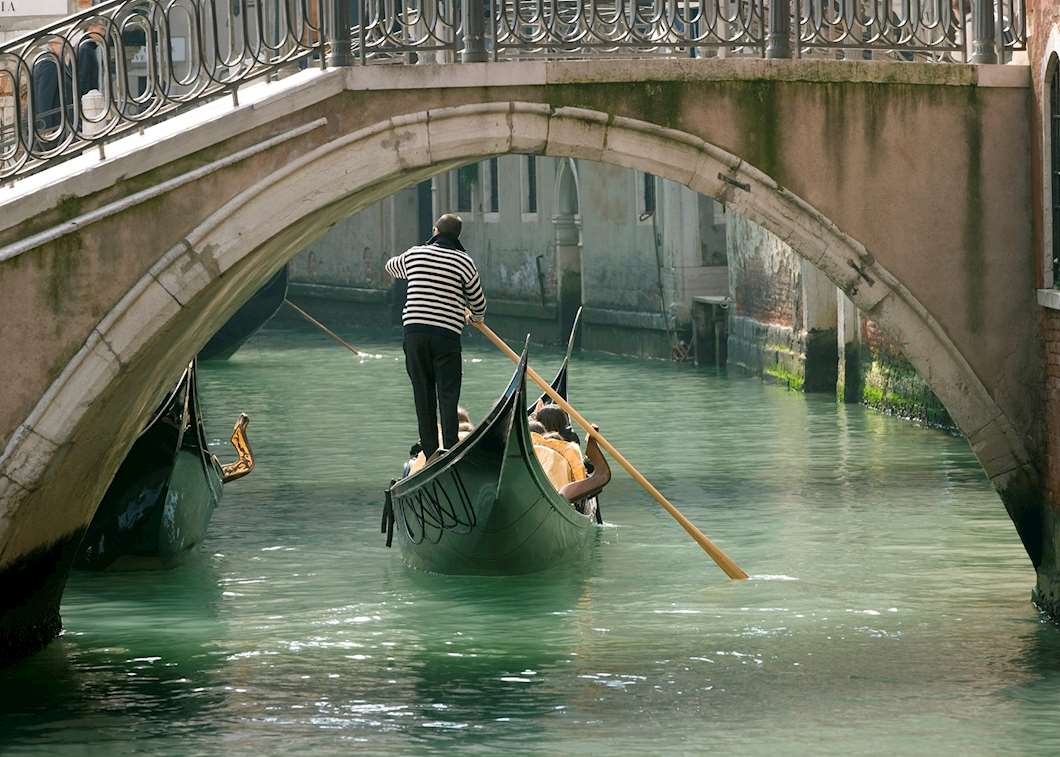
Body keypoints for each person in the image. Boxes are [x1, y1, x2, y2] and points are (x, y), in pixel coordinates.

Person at [385, 214, 486, 460]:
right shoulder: (464, 262)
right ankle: (450, 447)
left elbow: (390, 266)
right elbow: (478, 302)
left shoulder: (415, 254)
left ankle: (430, 453)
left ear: (435, 231)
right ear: (457, 236)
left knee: (423, 393)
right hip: (446, 336)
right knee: (448, 394)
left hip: (415, 334)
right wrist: (475, 318)